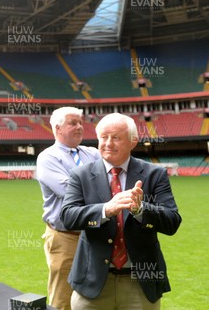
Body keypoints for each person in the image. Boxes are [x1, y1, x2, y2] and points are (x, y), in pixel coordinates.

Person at [61, 113, 181, 309]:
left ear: (133, 141)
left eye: (116, 137)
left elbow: (172, 222)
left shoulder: (154, 174)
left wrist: (141, 210)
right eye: (103, 137)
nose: (108, 143)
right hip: (93, 282)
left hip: (140, 283)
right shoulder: (80, 175)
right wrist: (105, 210)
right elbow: (68, 217)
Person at [35, 107, 100, 310]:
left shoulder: (93, 153)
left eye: (81, 122)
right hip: (65, 237)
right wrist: (101, 189)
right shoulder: (48, 158)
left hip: (95, 235)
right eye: (73, 123)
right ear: (57, 128)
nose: (80, 127)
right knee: (63, 299)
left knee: (97, 294)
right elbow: (70, 193)